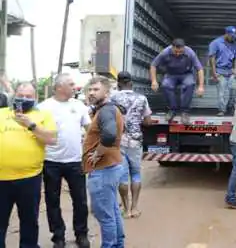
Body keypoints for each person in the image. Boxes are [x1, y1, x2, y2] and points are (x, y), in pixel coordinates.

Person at [0, 82, 57, 248]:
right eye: (20, 95)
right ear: (14, 95)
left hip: (29, 179)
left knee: (29, 220)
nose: (23, 99)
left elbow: (52, 139)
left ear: (35, 98)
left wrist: (30, 125)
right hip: (1, 179)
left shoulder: (43, 115)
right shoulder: (2, 113)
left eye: (28, 96)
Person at [39, 74, 92, 248]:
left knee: (80, 200)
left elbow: (89, 129)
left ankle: (81, 234)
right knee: (52, 200)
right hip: (51, 161)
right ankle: (58, 236)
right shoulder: (44, 107)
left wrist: (91, 151)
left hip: (75, 161)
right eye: (71, 84)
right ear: (59, 87)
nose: (74, 87)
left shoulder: (79, 106)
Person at [83, 76, 125, 248]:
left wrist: (97, 153)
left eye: (96, 90)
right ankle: (118, 244)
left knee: (104, 214)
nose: (91, 93)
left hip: (103, 169)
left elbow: (109, 136)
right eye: (90, 90)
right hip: (110, 167)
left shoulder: (107, 110)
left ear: (107, 92)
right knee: (112, 211)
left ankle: (109, 245)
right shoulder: (105, 110)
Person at [111, 72, 152, 219]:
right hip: (135, 141)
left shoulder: (113, 98)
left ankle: (126, 210)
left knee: (122, 176)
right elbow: (148, 121)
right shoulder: (141, 98)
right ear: (132, 83)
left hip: (118, 141)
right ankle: (135, 208)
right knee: (135, 173)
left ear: (118, 83)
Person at [150, 38, 205, 124]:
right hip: (171, 74)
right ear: (172, 47)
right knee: (165, 85)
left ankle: (184, 112)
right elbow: (153, 65)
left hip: (186, 74)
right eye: (176, 52)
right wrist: (154, 81)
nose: (178, 54)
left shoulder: (190, 52)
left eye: (181, 52)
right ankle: (172, 110)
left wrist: (201, 86)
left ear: (184, 48)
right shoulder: (165, 52)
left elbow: (200, 69)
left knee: (190, 84)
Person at [208, 26, 236, 116]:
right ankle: (222, 110)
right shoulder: (216, 43)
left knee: (234, 89)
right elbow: (212, 58)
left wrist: (235, 69)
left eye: (235, 36)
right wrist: (214, 73)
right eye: (232, 36)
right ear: (226, 34)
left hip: (230, 71)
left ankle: (231, 107)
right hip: (219, 71)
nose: (233, 38)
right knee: (221, 92)